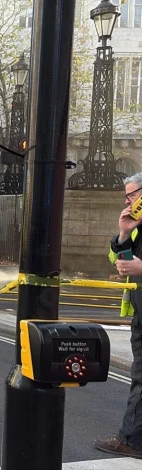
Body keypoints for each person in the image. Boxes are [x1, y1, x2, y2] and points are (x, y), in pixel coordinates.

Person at [97, 172, 142, 457]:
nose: (128, 201)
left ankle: (132, 440)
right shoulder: (137, 225)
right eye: (126, 196)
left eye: (132, 195)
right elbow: (121, 263)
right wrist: (124, 234)